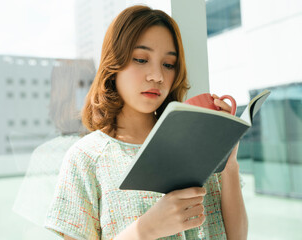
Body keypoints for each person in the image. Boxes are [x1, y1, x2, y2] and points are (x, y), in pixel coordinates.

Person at [44, 5, 248, 240]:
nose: (157, 76)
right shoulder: (86, 158)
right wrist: (147, 228)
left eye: (168, 64)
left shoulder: (198, 142)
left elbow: (237, 237)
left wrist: (229, 163)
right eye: (141, 59)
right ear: (113, 65)